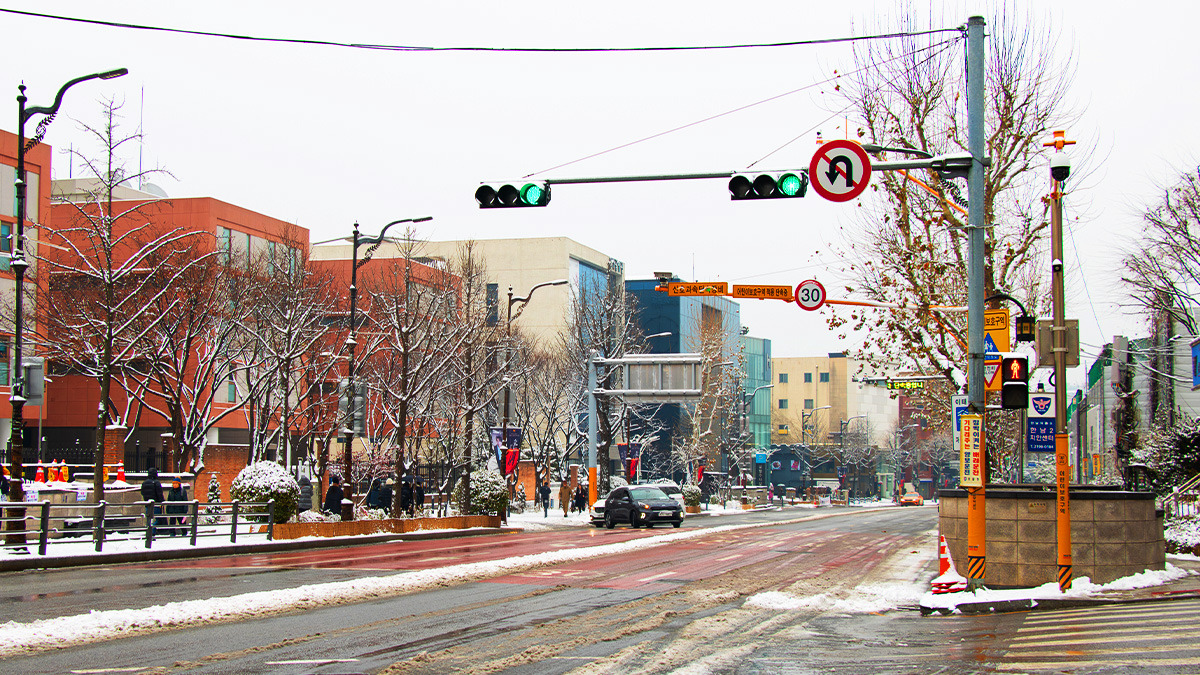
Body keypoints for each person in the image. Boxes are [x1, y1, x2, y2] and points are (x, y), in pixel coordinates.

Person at [140, 467, 165, 536]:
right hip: (156, 504)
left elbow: (142, 492)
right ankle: (152, 531)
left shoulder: (144, 483)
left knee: (149, 518)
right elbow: (159, 493)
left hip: (148, 504)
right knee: (158, 519)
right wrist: (162, 501)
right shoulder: (156, 482)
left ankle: (149, 531)